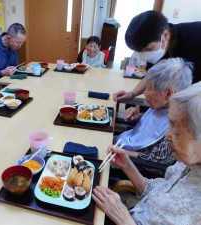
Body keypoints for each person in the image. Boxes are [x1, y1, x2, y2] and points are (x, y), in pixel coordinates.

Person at [93, 81, 201, 225]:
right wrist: (127, 165)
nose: (167, 135)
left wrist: (122, 217)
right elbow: (159, 190)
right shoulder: (189, 164)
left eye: (176, 131)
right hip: (134, 212)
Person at [114, 58, 192, 164]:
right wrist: (138, 117)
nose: (144, 93)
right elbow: (153, 123)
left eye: (149, 89)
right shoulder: (164, 104)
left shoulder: (177, 125)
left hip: (135, 165)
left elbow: (156, 161)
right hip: (124, 144)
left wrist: (119, 151)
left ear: (168, 94)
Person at [113, 10, 201, 102]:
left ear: (166, 35)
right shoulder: (158, 49)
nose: (145, 55)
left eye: (149, 49)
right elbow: (150, 77)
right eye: (139, 51)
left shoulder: (195, 36)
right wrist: (132, 93)